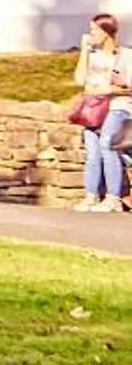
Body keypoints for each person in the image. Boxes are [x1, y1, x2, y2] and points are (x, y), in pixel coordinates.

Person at [74, 11, 130, 213]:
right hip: (93, 109)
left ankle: (113, 198)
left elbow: (130, 87)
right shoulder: (92, 56)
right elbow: (80, 81)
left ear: (107, 31)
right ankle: (91, 195)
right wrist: (84, 52)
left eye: (94, 30)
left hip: (118, 107)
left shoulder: (125, 55)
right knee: (92, 151)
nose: (91, 34)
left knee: (107, 143)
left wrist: (108, 89)